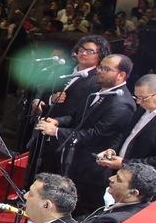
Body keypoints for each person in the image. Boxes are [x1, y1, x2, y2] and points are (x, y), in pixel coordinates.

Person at [36, 54, 135, 218]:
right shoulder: (97, 90)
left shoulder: (122, 103)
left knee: (80, 210)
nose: (99, 71)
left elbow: (96, 134)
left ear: (121, 75)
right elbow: (76, 116)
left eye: (106, 69)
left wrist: (56, 132)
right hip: (74, 157)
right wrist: (57, 121)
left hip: (91, 166)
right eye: (100, 67)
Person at [35, 35, 106, 172]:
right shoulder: (65, 70)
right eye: (81, 49)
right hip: (45, 126)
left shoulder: (96, 81)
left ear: (100, 56)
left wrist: (58, 123)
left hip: (65, 133)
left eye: (90, 51)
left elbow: (81, 111)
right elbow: (46, 90)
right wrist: (49, 99)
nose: (83, 53)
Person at [95, 72, 156, 172]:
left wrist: (125, 164)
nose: (138, 102)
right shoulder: (142, 109)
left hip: (141, 178)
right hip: (119, 171)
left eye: (143, 98)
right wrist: (112, 150)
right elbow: (126, 135)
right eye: (136, 97)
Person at [84, 162, 156, 223]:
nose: (111, 178)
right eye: (116, 174)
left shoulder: (112, 221)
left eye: (118, 179)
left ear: (133, 193)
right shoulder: (146, 210)